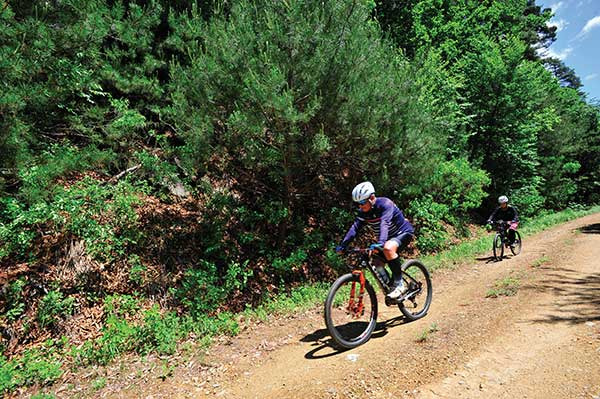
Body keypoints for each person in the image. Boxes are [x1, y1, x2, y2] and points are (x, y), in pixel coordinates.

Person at [335, 181, 415, 299]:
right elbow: (355, 228)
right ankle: (391, 286)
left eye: (362, 202)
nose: (360, 206)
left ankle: (400, 285)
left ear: (372, 198)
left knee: (388, 248)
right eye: (358, 204)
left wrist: (381, 243)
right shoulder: (363, 212)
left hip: (403, 232)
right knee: (376, 262)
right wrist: (343, 245)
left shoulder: (385, 204)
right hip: (387, 238)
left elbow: (384, 223)